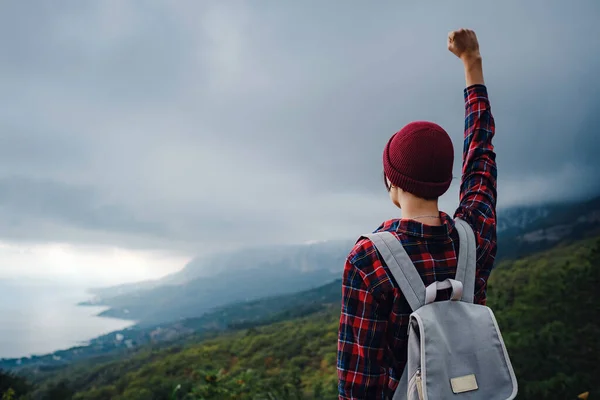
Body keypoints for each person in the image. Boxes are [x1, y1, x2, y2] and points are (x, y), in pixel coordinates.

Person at [337, 28, 497, 399]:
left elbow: (359, 383)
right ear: (445, 181)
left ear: (391, 182)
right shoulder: (474, 236)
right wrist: (472, 64)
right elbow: (481, 159)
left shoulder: (367, 261)